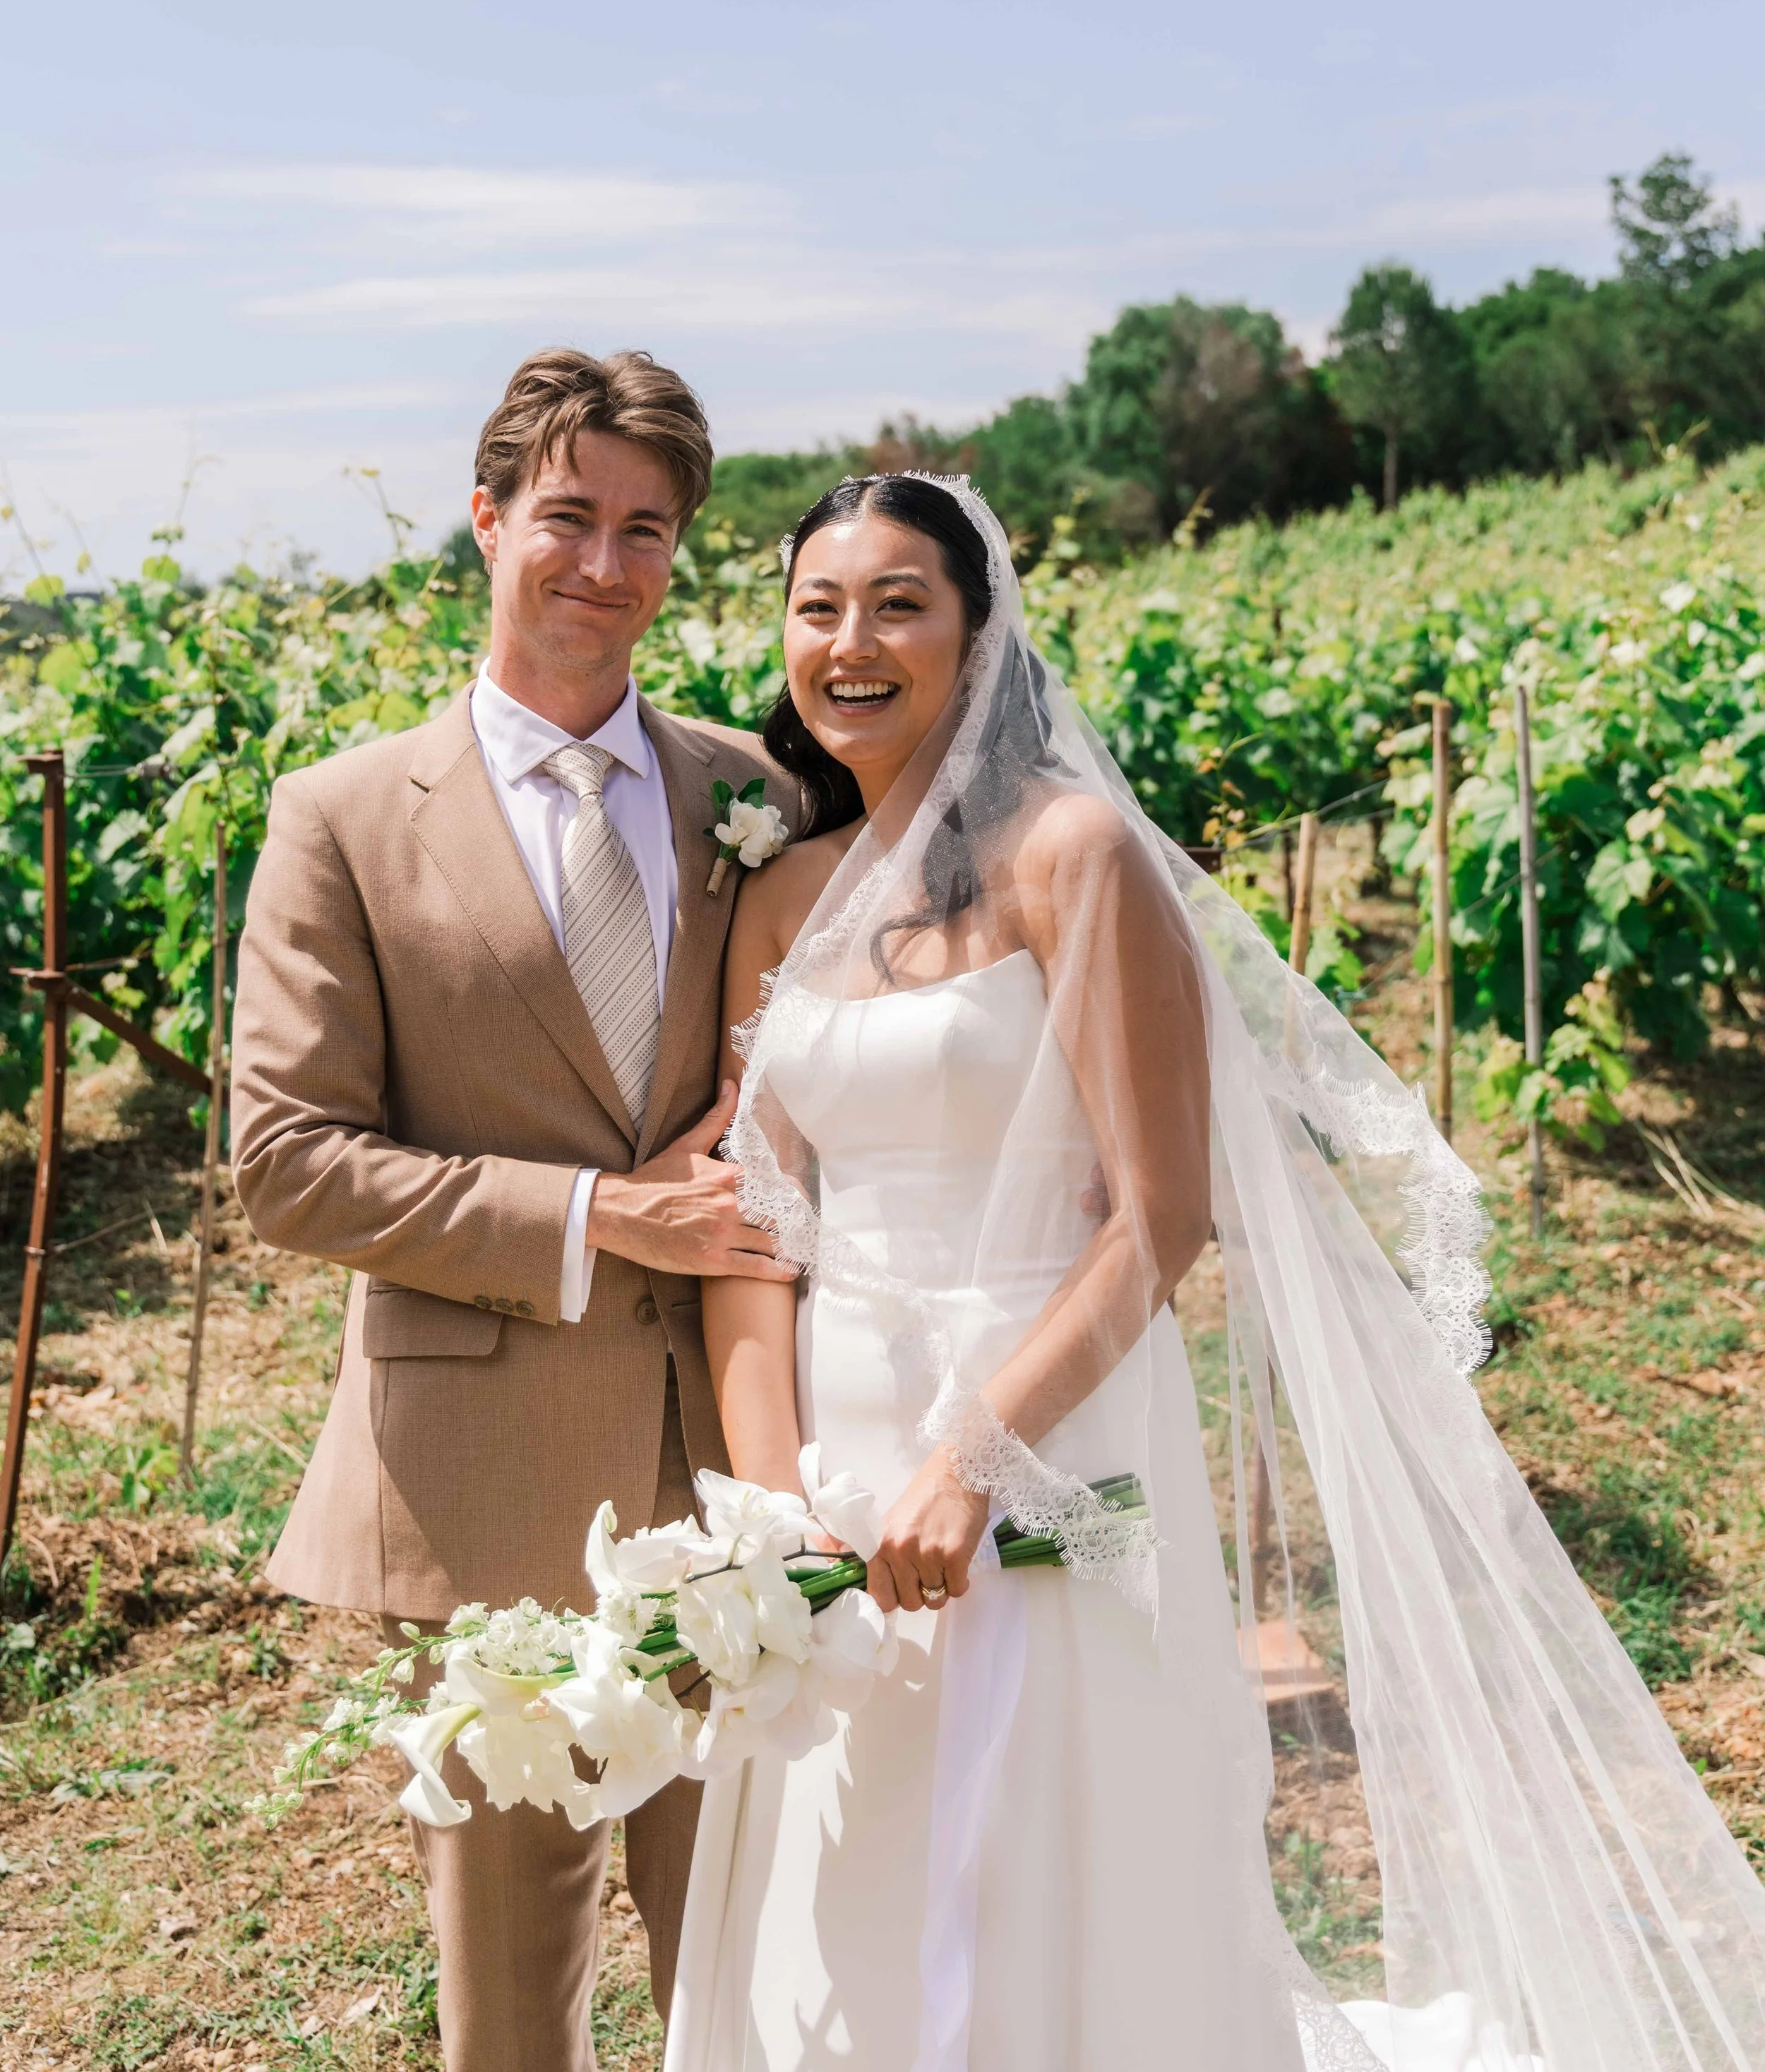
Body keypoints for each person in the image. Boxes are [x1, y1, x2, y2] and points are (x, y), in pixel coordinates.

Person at [663, 471, 1765, 2072]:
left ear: (977, 634)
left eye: (899, 601)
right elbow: (751, 1226)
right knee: (853, 1829)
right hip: (836, 1432)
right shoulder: (776, 900)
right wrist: (771, 1512)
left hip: (1053, 1413)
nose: (851, 641)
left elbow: (1156, 1217)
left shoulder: (1072, 854)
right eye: (816, 606)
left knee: (1056, 1816)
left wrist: (977, 1458)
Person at [230, 347, 800, 2072]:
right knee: (508, 2011)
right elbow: (283, 1159)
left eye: (645, 531)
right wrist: (594, 1218)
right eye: (565, 517)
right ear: (485, 522)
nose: (601, 566)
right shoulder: (338, 817)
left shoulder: (755, 801)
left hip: (734, 1475)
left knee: (761, 1960)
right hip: (481, 1489)